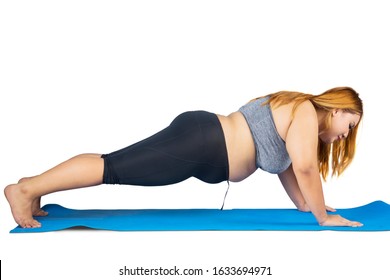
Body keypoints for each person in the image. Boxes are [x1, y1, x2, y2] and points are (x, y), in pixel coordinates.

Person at [5, 86, 363, 229]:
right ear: (334, 109)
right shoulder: (305, 109)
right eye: (348, 125)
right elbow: (303, 166)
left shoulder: (296, 112)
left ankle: (34, 188)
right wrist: (322, 217)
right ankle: (25, 190)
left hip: (203, 141)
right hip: (202, 144)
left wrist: (305, 204)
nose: (344, 136)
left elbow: (287, 167)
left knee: (114, 164)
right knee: (111, 167)